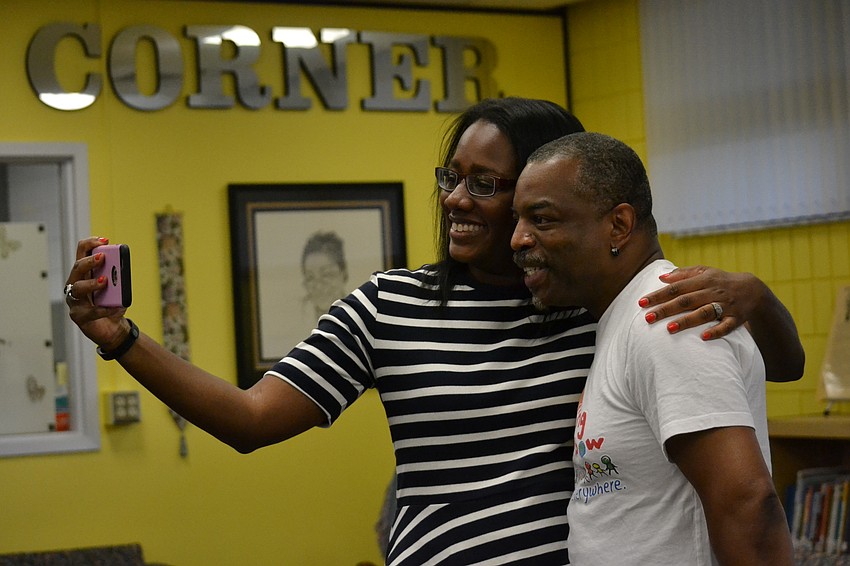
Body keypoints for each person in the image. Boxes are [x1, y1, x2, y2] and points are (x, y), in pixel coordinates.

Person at [64, 97, 802, 565]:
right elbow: (252, 419)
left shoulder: (600, 307)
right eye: (450, 177)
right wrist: (121, 340)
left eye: (486, 184)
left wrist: (759, 298)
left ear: (549, 192)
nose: (456, 199)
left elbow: (767, 373)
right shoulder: (389, 305)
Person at [511, 132, 794, 565]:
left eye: (542, 220)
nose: (518, 239)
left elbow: (747, 504)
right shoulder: (624, 317)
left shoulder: (665, 320)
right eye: (518, 220)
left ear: (619, 226)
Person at [300, 231, 348, 320]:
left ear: (343, 274)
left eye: (326, 275)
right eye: (310, 277)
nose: (318, 285)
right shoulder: (298, 321)